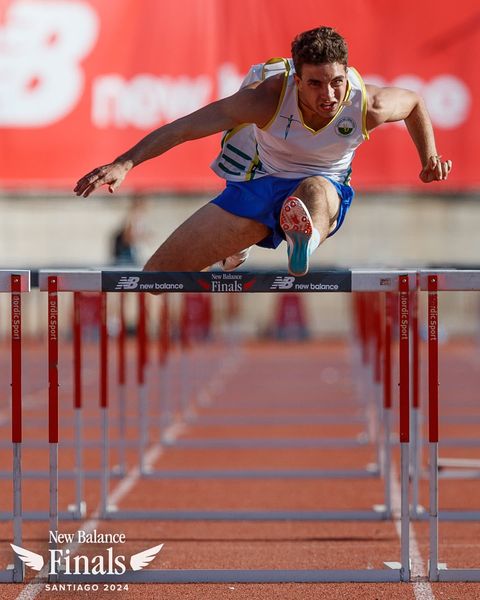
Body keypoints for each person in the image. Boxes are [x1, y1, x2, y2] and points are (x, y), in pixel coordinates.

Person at [74, 26, 452, 276]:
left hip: (324, 190)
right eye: (316, 84)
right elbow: (186, 127)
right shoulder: (267, 98)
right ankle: (249, 242)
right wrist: (125, 162)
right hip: (261, 186)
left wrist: (429, 158)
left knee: (316, 189)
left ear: (346, 74)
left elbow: (416, 103)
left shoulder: (368, 105)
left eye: (337, 82)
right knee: (156, 277)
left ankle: (304, 241)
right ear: (296, 79)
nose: (329, 95)